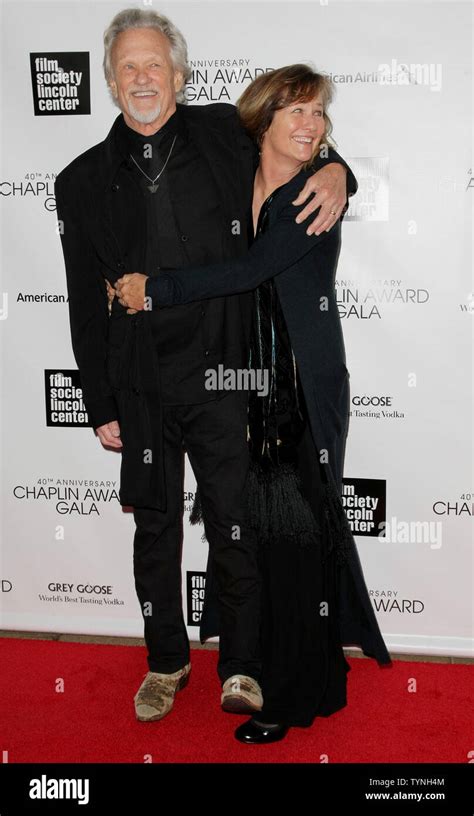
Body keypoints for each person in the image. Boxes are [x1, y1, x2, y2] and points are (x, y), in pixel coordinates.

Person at [54, 8, 357, 725]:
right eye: (127, 66)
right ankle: (165, 661)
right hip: (141, 386)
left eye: (154, 63)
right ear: (109, 80)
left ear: (181, 75)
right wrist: (100, 401)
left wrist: (343, 173)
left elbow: (300, 145)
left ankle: (244, 665)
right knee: (155, 530)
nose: (142, 77)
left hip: (227, 376)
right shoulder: (80, 182)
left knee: (236, 522)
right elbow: (80, 301)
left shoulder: (225, 132)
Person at [115, 64, 392, 744]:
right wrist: (341, 169)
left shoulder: (308, 194)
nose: (312, 125)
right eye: (297, 113)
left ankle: (296, 698)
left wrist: (156, 289)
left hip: (301, 391)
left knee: (298, 542)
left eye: (320, 114)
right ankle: (301, 669)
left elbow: (247, 271)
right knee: (272, 540)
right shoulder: (243, 168)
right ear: (261, 123)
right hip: (254, 388)